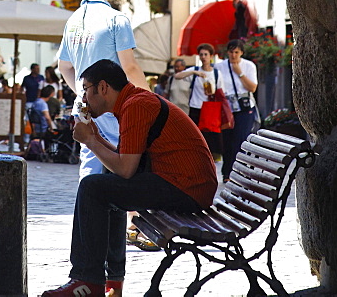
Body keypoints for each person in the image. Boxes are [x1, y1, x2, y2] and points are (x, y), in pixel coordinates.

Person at [41, 60, 217, 297]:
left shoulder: (136, 106)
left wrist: (91, 141)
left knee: (93, 188)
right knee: (104, 180)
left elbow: (126, 170)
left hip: (186, 187)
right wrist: (94, 137)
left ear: (103, 87)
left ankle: (88, 280)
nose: (83, 98)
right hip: (186, 184)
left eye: (85, 89)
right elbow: (124, 163)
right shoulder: (132, 102)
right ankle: (111, 282)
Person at [57, 0, 149, 297]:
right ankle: (106, 279)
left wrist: (82, 93)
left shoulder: (72, 21)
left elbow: (64, 66)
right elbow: (130, 66)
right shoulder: (115, 19)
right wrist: (148, 98)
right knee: (112, 191)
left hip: (86, 110)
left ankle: (91, 276)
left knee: (91, 191)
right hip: (114, 111)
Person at [215, 39, 258, 179]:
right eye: (231, 52)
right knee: (227, 140)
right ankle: (227, 172)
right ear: (227, 52)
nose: (233, 55)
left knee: (240, 139)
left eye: (236, 52)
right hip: (226, 108)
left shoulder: (248, 66)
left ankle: (240, 171)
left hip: (244, 107)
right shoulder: (220, 67)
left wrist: (239, 73)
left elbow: (252, 87)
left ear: (241, 53)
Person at [186, 43, 222, 158]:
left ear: (211, 56)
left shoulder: (216, 73)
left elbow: (221, 92)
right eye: (201, 54)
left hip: (209, 108)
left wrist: (212, 93)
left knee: (209, 136)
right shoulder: (195, 70)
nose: (203, 57)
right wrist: (193, 72)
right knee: (194, 135)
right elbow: (178, 76)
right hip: (196, 106)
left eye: (206, 54)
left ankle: (208, 157)